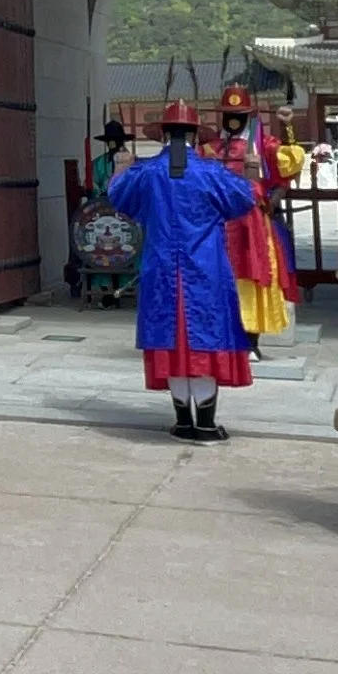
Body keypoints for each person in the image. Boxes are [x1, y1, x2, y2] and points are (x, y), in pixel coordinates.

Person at [109, 90, 253, 441]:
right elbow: (244, 198)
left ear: (163, 135)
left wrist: (121, 167)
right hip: (206, 268)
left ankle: (182, 421)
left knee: (170, 340)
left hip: (161, 267)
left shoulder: (146, 173)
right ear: (193, 136)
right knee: (204, 339)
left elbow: (118, 196)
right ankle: (205, 423)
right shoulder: (209, 172)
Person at [211, 78, 303, 346]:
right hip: (218, 225)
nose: (233, 120)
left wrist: (287, 127)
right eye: (229, 115)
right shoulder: (211, 148)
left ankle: (251, 340)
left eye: (238, 115)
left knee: (254, 275)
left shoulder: (262, 144)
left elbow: (290, 162)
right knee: (218, 277)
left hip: (251, 225)